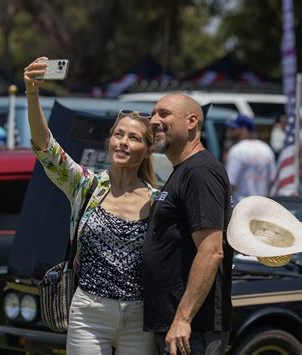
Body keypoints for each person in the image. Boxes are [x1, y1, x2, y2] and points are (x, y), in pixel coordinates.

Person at [24, 56, 158, 355]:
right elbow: (46, 149)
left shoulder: (156, 200)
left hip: (139, 317)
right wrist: (33, 94)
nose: (123, 142)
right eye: (118, 135)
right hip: (89, 312)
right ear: (108, 142)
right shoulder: (87, 185)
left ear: (148, 150)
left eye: (133, 138)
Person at [142, 94, 233, 355]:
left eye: (164, 114)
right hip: (176, 325)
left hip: (193, 329)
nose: (153, 121)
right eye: (152, 114)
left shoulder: (199, 172)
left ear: (192, 121)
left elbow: (211, 250)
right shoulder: (184, 170)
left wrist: (183, 318)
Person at [225, 114, 276, 203]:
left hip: (242, 206)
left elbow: (230, 184)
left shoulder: (237, 150)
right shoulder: (266, 148)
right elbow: (272, 180)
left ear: (244, 129)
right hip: (263, 205)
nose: (230, 132)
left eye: (233, 129)